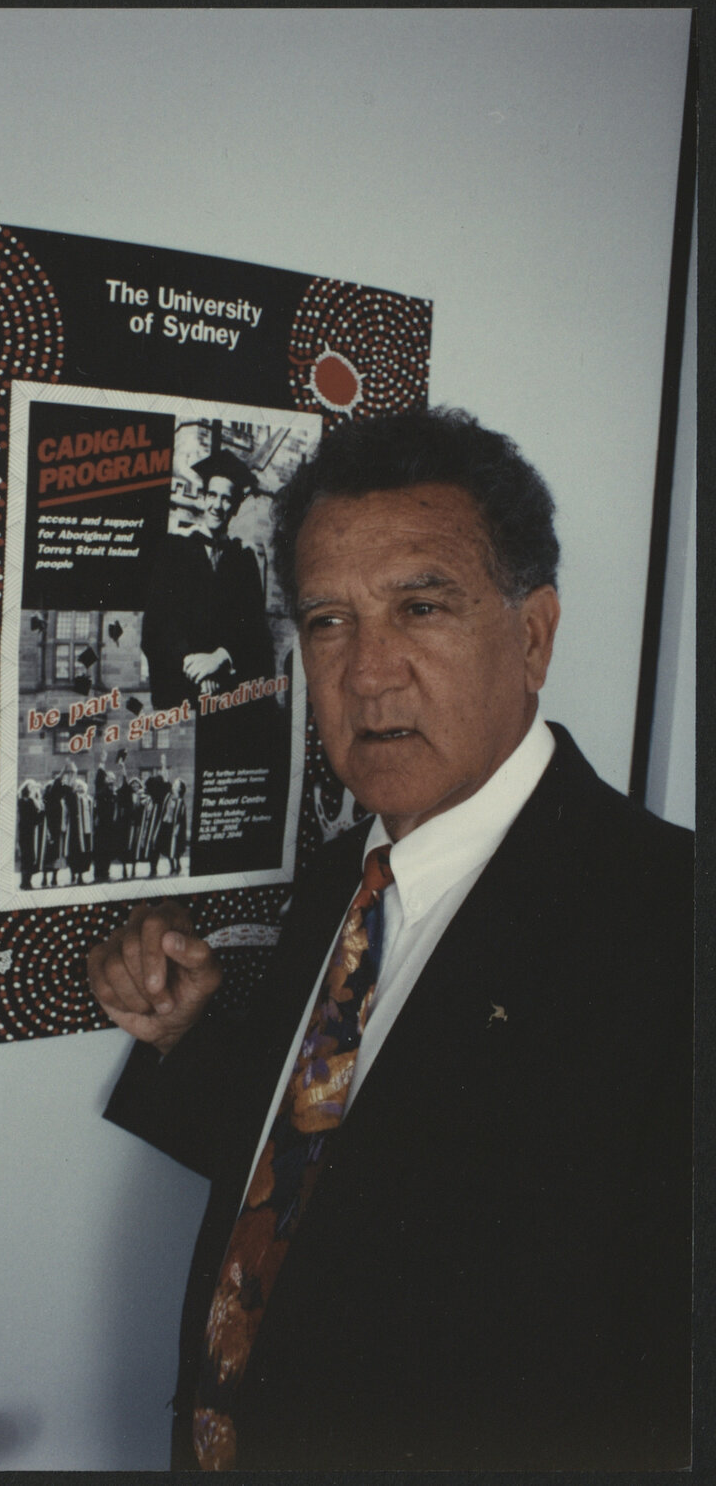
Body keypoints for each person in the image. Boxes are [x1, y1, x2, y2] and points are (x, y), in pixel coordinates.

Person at [88, 407, 692, 1472]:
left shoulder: (672, 925)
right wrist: (189, 1037)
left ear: (534, 635)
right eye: (328, 620)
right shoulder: (347, 874)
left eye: (421, 607)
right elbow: (329, 1179)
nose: (367, 672)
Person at [141, 447, 276, 713]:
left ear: (235, 507)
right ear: (202, 499)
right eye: (212, 495)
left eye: (226, 499)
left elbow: (254, 630)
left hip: (228, 695)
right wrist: (194, 666)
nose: (217, 505)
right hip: (181, 693)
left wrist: (221, 658)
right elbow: (157, 624)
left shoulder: (244, 561)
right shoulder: (173, 550)